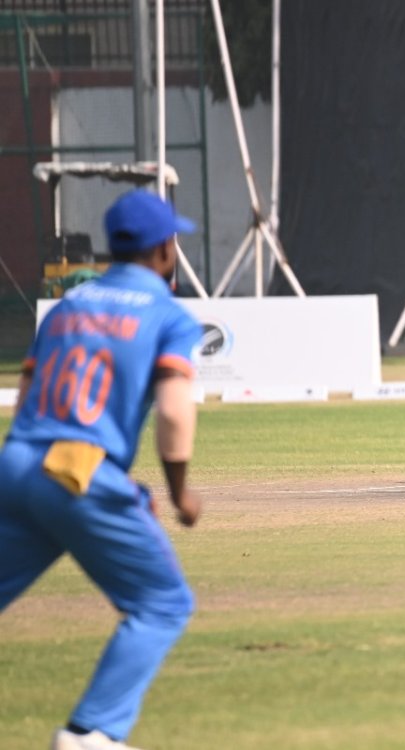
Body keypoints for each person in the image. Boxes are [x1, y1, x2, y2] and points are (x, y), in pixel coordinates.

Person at [0, 190, 203, 750]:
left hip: (17, 461)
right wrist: (180, 493)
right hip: (77, 470)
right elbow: (173, 410)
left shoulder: (67, 308)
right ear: (165, 249)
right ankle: (92, 734)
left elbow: (27, 398)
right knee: (163, 604)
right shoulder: (169, 316)